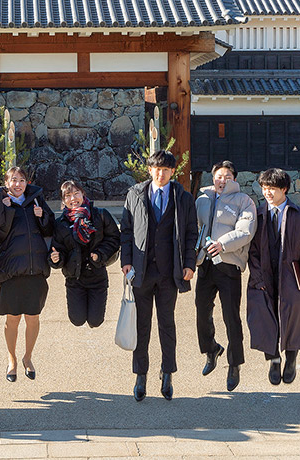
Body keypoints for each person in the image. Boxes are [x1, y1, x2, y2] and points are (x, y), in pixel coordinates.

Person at [120, 150, 198, 401]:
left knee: (167, 325)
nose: (161, 173)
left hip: (169, 272)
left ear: (172, 172)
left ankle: (167, 373)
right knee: (141, 325)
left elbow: (190, 233)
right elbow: (127, 231)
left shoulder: (183, 197)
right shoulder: (135, 194)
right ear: (150, 170)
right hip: (141, 270)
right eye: (157, 169)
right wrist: (126, 261)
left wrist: (189, 264)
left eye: (166, 169)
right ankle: (140, 375)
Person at [247, 168, 300, 385]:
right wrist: (257, 277)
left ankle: (291, 359)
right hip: (264, 274)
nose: (268, 193)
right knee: (264, 317)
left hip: (292, 275)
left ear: (284, 189)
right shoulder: (257, 215)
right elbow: (252, 251)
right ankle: (274, 359)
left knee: (293, 318)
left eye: (272, 189)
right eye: (264, 188)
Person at [194, 160, 256, 391]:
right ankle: (211, 349)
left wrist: (222, 244)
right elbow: (195, 228)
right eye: (219, 176)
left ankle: (234, 363)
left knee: (231, 317)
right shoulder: (202, 199)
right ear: (213, 178)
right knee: (202, 312)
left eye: (227, 176)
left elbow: (245, 231)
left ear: (234, 179)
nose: (223, 180)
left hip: (228, 265)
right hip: (206, 265)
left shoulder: (243, 201)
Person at [0, 167, 54, 382]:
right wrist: (3, 207)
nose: (18, 184)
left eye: (22, 180)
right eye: (13, 180)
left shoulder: (36, 200)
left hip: (35, 269)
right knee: (13, 319)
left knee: (33, 317)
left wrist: (42, 216)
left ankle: (28, 357)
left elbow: (50, 228)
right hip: (12, 270)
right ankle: (12, 359)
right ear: (7, 183)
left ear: (27, 183)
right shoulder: (2, 201)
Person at [49, 180, 120, 328]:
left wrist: (100, 254)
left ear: (83, 194)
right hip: (74, 278)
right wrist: (57, 258)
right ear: (63, 200)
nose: (73, 199)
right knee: (77, 320)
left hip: (97, 276)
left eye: (76, 193)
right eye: (68, 195)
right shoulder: (60, 223)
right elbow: (57, 249)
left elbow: (114, 238)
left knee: (95, 321)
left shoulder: (100, 215)